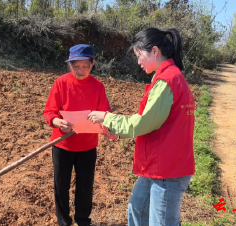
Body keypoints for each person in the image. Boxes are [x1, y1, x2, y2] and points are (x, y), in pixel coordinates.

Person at [87, 28, 195, 226]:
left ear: (155, 51)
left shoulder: (167, 80)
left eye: (139, 55)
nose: (138, 62)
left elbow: (143, 123)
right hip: (158, 164)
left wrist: (107, 118)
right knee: (137, 208)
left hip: (167, 169)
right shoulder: (168, 77)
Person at [44, 44, 111, 226]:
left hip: (88, 146)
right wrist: (58, 122)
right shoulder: (61, 82)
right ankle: (63, 221)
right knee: (61, 186)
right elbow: (49, 112)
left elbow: (105, 113)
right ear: (70, 64)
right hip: (62, 144)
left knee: (84, 187)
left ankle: (83, 221)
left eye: (85, 66)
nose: (80, 70)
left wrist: (107, 127)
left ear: (93, 63)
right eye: (75, 66)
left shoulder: (98, 86)